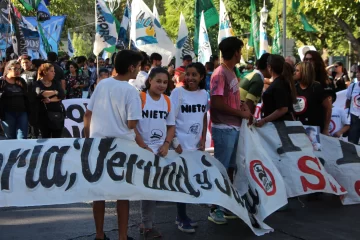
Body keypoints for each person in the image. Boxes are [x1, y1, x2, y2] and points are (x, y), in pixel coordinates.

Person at [83, 50, 143, 240]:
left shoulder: (102, 84)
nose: (140, 70)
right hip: (122, 148)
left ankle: (99, 235)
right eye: (139, 66)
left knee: (99, 193)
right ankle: (122, 237)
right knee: (122, 194)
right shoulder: (131, 92)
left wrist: (88, 139)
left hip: (98, 145)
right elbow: (132, 124)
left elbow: (87, 114)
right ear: (132, 67)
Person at [209, 37, 251, 224]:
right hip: (224, 128)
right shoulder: (220, 73)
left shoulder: (231, 72)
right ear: (235, 52)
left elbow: (228, 99)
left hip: (233, 127)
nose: (241, 54)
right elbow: (216, 104)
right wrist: (239, 113)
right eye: (240, 51)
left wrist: (241, 106)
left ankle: (226, 204)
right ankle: (214, 208)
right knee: (221, 169)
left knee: (231, 168)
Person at [134, 68, 175, 239]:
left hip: (161, 151)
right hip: (143, 150)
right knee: (149, 189)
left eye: (165, 82)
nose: (162, 85)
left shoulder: (167, 100)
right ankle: (148, 225)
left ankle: (146, 222)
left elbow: (171, 126)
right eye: (158, 81)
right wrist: (143, 146)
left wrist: (166, 144)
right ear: (149, 80)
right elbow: (132, 125)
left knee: (156, 189)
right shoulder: (140, 98)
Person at [170, 62, 208, 233]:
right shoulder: (177, 93)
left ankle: (183, 216)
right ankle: (181, 217)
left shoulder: (203, 94)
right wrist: (174, 141)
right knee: (181, 181)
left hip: (194, 146)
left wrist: (203, 137)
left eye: (194, 75)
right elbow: (169, 119)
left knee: (190, 180)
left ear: (201, 77)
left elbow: (204, 115)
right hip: (179, 146)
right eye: (188, 74)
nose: (190, 78)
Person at [256, 56, 296, 127]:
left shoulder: (279, 84)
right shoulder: (281, 82)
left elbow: (283, 109)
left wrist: (265, 120)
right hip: (277, 125)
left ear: (269, 67)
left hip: (279, 126)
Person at [293, 62, 331, 134]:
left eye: (297, 71)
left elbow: (328, 108)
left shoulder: (316, 87)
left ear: (305, 72)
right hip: (299, 128)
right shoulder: (294, 88)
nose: (294, 73)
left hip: (315, 129)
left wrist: (326, 128)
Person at [303, 50, 332, 135]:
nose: (308, 62)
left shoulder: (324, 81)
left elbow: (328, 107)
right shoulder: (300, 79)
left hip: (317, 123)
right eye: (306, 59)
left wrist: (326, 128)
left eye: (311, 59)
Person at [33, 63, 65, 138]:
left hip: (56, 114)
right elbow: (40, 93)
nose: (54, 73)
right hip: (43, 116)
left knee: (57, 138)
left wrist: (50, 100)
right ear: (45, 72)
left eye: (54, 71)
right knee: (45, 138)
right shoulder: (37, 83)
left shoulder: (56, 83)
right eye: (51, 71)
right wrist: (55, 92)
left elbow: (62, 95)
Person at [0, 60, 29, 139]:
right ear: (8, 69)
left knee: (23, 137)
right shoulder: (2, 82)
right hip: (7, 113)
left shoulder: (21, 81)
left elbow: (26, 96)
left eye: (19, 69)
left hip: (22, 112)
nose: (18, 71)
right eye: (15, 69)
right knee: (10, 137)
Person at [346, 65, 360, 144]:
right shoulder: (352, 86)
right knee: (352, 143)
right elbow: (348, 100)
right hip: (354, 117)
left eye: (359, 72)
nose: (358, 74)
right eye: (357, 72)